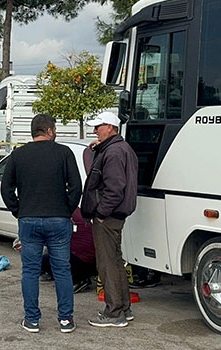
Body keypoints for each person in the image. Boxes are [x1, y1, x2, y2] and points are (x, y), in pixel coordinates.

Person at [0, 114, 82, 334]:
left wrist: (19, 210)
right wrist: (66, 209)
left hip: (29, 220)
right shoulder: (64, 153)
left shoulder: (18, 155)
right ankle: (65, 319)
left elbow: (6, 189)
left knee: (30, 271)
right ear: (49, 130)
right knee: (62, 270)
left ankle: (32, 319)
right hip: (58, 220)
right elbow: (76, 186)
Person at [81, 111, 138, 328]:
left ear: (110, 127)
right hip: (117, 215)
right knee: (115, 261)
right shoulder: (121, 148)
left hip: (109, 216)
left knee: (107, 264)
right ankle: (123, 308)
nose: (95, 130)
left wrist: (102, 213)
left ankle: (114, 313)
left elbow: (114, 189)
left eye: (98, 126)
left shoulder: (113, 152)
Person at [39, 208, 97, 294]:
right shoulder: (78, 212)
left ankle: (77, 280)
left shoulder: (61, 215)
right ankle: (77, 277)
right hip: (94, 262)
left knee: (43, 259)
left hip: (80, 261)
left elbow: (51, 241)